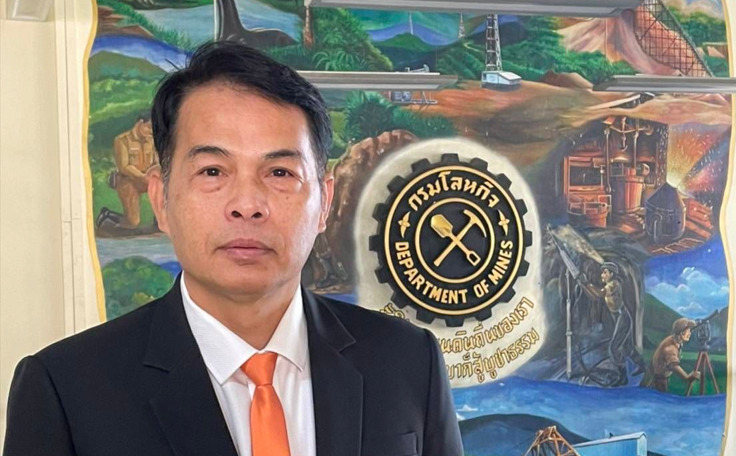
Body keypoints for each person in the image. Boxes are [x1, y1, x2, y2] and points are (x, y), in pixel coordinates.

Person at [4, 41, 463, 456]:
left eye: (279, 173)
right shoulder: (66, 391)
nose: (247, 205)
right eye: (212, 172)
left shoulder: (407, 360)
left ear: (325, 202)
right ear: (160, 199)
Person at [579, 261, 646, 385]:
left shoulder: (614, 284)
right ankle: (641, 365)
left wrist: (586, 283)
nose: (602, 275)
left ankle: (623, 375)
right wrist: (583, 285)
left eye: (605, 272)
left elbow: (599, 294)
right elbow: (593, 296)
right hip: (619, 317)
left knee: (614, 348)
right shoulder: (609, 285)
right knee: (628, 347)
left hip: (622, 317)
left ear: (612, 274)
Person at [96, 114, 160, 230]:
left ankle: (158, 222)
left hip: (146, 179)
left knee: (166, 186)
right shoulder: (122, 140)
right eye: (149, 127)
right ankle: (107, 215)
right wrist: (142, 176)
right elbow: (124, 167)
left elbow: (156, 162)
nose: (151, 131)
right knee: (133, 223)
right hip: (128, 181)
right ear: (140, 123)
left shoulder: (151, 140)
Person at [645, 317, 701, 392]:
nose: (690, 333)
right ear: (682, 333)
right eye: (688, 331)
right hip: (658, 380)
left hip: (660, 376)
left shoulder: (675, 340)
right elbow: (674, 365)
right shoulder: (671, 348)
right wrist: (687, 377)